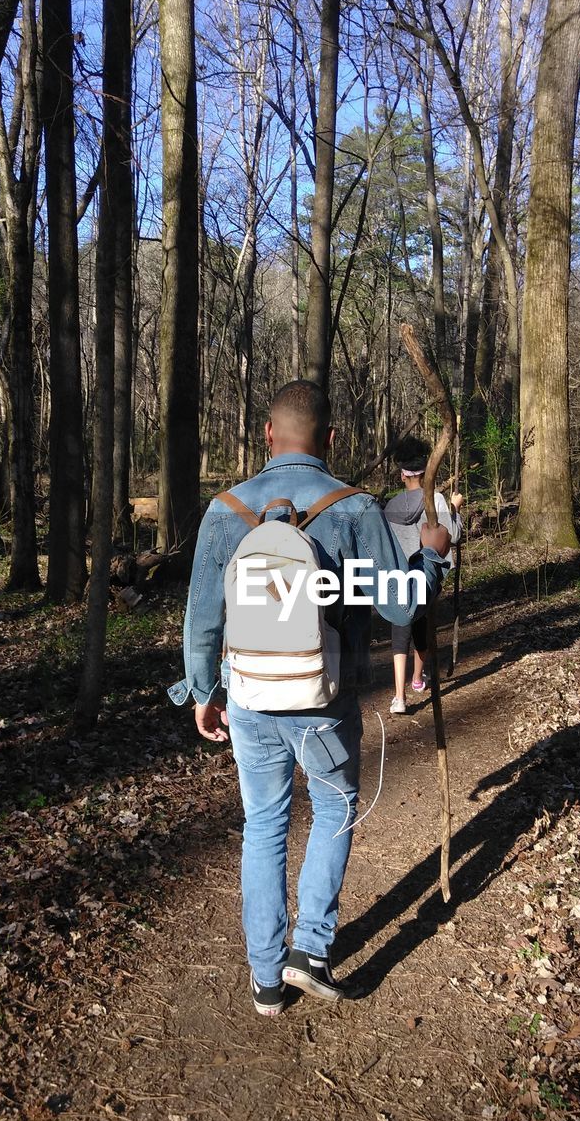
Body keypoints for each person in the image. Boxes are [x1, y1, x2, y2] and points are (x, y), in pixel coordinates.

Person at [169, 381, 451, 1017]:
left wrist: (201, 693)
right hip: (325, 699)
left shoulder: (225, 511)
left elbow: (201, 618)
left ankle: (266, 979)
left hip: (248, 698)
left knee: (264, 824)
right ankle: (310, 954)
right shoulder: (354, 509)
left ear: (267, 435)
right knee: (333, 808)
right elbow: (399, 604)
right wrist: (431, 559)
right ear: (330, 439)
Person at [384, 459, 463, 714]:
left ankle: (399, 697)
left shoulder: (391, 505)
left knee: (400, 631)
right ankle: (417, 679)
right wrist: (455, 509)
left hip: (397, 574)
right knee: (422, 626)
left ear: (402, 476)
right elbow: (453, 535)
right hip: (425, 574)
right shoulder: (436, 499)